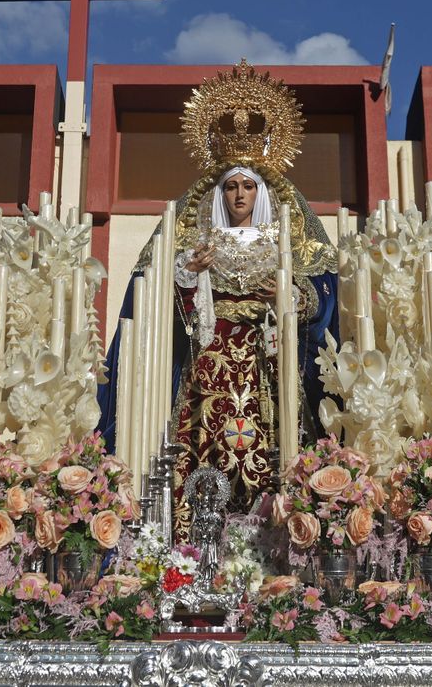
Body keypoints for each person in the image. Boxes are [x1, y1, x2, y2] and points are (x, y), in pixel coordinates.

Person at [97, 62, 339, 538]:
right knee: (201, 442)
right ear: (219, 193)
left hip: (267, 358)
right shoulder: (199, 243)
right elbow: (165, 306)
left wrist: (289, 295)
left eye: (249, 185)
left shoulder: (284, 241)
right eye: (231, 185)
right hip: (209, 360)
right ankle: (194, 538)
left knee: (272, 440)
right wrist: (190, 275)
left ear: (263, 191)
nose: (240, 194)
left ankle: (273, 535)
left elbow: (322, 296)